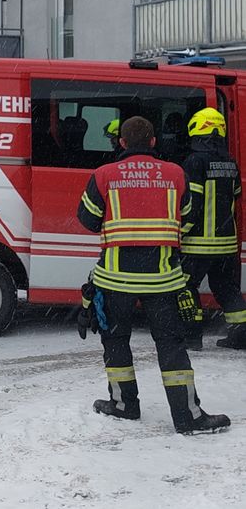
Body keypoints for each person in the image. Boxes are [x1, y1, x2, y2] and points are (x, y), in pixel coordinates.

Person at [77, 116, 229, 434]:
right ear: (153, 142)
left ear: (121, 143)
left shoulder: (104, 175)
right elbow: (190, 218)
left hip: (114, 279)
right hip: (163, 279)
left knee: (116, 342)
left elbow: (88, 220)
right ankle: (188, 416)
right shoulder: (175, 173)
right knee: (171, 345)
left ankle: (123, 405)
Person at [180, 107, 246, 350]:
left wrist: (181, 231)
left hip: (198, 243)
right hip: (227, 243)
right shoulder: (230, 161)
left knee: (186, 287)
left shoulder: (195, 160)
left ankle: (191, 337)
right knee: (227, 289)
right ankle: (240, 336)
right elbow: (236, 195)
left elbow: (192, 204)